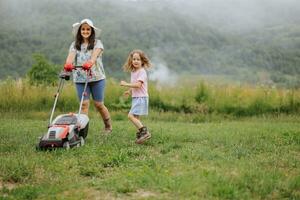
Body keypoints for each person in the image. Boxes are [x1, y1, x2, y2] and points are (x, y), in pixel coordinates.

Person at [64, 18, 112, 133]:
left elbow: (95, 55)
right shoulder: (75, 45)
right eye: (83, 29)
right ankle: (82, 131)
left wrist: (90, 62)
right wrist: (68, 66)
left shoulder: (97, 43)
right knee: (84, 105)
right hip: (80, 79)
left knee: (99, 104)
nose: (85, 31)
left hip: (97, 78)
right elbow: (70, 58)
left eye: (88, 29)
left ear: (91, 31)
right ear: (79, 31)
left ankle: (108, 126)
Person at [120, 49, 152, 144]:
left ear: (142, 61)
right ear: (131, 60)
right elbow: (135, 85)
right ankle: (141, 137)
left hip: (141, 98)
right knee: (136, 118)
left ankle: (145, 132)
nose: (136, 61)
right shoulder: (134, 72)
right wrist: (129, 91)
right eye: (134, 59)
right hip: (136, 97)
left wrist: (126, 84)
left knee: (130, 116)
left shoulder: (142, 72)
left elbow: (138, 85)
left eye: (138, 59)